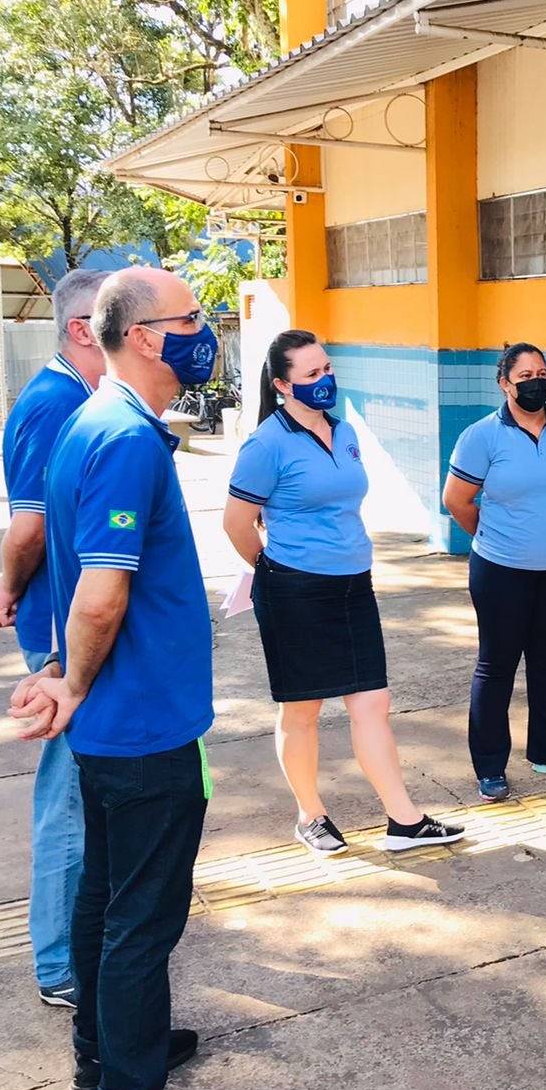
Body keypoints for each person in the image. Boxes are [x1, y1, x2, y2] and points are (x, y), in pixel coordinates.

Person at [9, 267, 252, 1090]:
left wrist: (68, 678)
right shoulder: (124, 439)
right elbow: (101, 595)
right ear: (147, 337)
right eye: (191, 318)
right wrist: (69, 680)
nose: (204, 330)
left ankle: (102, 1065)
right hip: (140, 726)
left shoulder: (98, 420)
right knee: (141, 926)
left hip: (120, 724)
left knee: (105, 904)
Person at [224, 329, 463, 855]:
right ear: (283, 385)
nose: (325, 380)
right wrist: (272, 571)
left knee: (372, 701)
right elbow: (237, 523)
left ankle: (404, 820)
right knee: (302, 709)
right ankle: (311, 815)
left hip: (354, 586)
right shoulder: (266, 444)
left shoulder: (346, 432)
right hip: (294, 590)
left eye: (327, 369)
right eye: (311, 375)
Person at [0, 267, 107, 1009]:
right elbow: (31, 526)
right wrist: (14, 583)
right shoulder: (54, 405)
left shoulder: (81, 398)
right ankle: (59, 965)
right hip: (62, 635)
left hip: (70, 624)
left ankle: (80, 945)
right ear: (83, 329)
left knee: (90, 794)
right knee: (70, 800)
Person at [442, 343, 546, 802]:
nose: (536, 381)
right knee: (498, 665)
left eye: (542, 372)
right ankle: (490, 765)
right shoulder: (482, 436)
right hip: (501, 571)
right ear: (505, 383)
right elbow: (457, 501)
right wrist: (496, 537)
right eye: (525, 374)